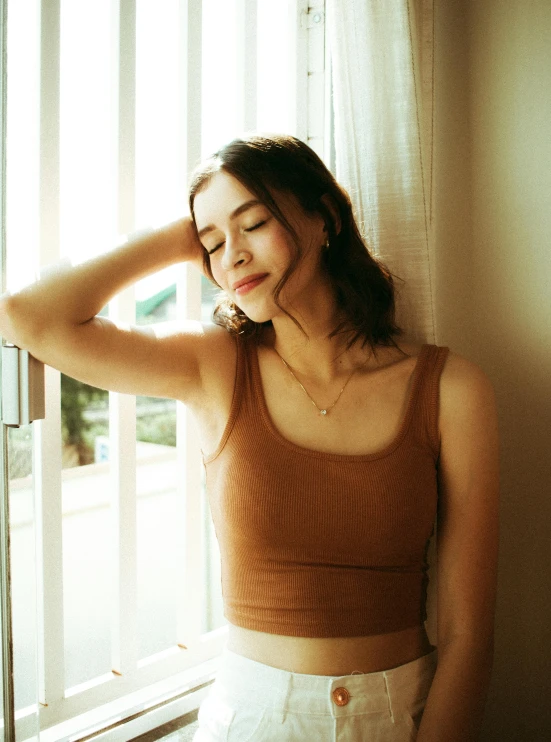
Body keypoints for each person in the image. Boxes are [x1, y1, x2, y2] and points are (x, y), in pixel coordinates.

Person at [0, 133, 499, 741]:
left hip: (402, 715)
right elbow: (30, 317)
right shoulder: (215, 367)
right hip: (256, 720)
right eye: (211, 244)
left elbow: (468, 631)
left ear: (325, 218)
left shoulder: (451, 388)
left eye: (255, 222)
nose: (230, 256)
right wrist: (180, 238)